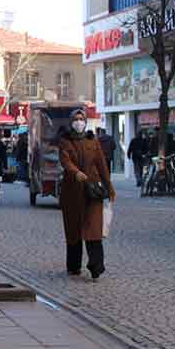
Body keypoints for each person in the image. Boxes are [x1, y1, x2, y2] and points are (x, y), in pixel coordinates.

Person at [58, 109, 116, 281]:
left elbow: (102, 167)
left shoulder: (93, 141)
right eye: (75, 119)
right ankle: (74, 266)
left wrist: (110, 189)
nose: (78, 122)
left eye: (81, 119)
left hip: (92, 191)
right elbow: (65, 161)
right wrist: (75, 172)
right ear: (71, 122)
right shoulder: (65, 141)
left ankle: (96, 266)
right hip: (72, 193)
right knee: (73, 231)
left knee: (93, 230)